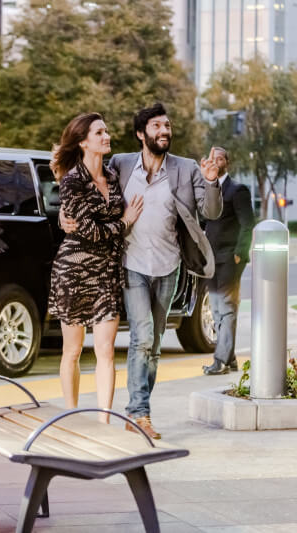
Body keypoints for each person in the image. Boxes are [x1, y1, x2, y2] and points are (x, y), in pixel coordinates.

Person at [61, 103, 222, 438]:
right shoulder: (121, 164)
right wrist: (65, 212)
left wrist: (211, 182)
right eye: (156, 127)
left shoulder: (185, 168)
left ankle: (139, 407)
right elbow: (87, 182)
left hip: (168, 267)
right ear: (141, 134)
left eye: (167, 126)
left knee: (156, 344)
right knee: (142, 337)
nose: (164, 132)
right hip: (131, 264)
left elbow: (211, 211)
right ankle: (139, 414)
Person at [48, 112, 144, 423]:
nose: (107, 136)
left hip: (106, 272)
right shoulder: (71, 181)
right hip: (73, 272)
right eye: (99, 132)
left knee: (106, 349)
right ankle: (72, 416)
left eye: (106, 130)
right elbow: (88, 231)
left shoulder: (113, 178)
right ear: (83, 141)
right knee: (73, 351)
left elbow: (102, 230)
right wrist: (125, 221)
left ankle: (103, 420)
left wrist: (120, 225)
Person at [202, 147, 256, 375]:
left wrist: (240, 253)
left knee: (226, 308)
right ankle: (231, 358)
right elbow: (204, 222)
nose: (216, 161)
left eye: (220, 158)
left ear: (227, 162)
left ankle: (220, 360)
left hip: (230, 259)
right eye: (213, 158)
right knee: (215, 310)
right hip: (211, 259)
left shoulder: (238, 190)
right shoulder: (207, 190)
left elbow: (248, 223)